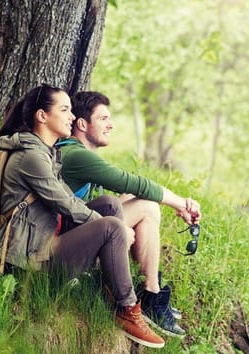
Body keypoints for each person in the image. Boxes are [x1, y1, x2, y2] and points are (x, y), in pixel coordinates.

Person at [0, 84, 165, 348]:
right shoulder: (31, 157)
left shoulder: (47, 152)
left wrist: (110, 220)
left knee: (109, 205)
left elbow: (71, 201)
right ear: (42, 116)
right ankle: (128, 308)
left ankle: (110, 287)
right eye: (64, 110)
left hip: (43, 243)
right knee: (111, 227)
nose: (71, 117)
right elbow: (66, 204)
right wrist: (117, 228)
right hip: (29, 264)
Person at [57, 91, 202, 337]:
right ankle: (150, 294)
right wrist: (180, 203)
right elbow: (132, 182)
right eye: (103, 119)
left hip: (70, 231)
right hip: (63, 246)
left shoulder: (73, 151)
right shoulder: (77, 155)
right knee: (147, 206)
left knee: (133, 201)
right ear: (82, 124)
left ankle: (149, 290)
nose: (110, 124)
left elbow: (126, 191)